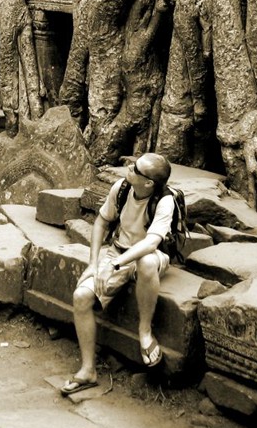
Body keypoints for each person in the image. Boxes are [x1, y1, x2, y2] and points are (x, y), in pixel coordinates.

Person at [60, 152, 174, 395]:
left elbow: (152, 243)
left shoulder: (165, 201)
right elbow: (101, 221)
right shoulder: (121, 189)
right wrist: (94, 263)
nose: (129, 168)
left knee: (145, 261)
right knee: (81, 296)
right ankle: (88, 370)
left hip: (148, 256)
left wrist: (115, 265)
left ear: (148, 183)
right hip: (117, 251)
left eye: (136, 168)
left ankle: (144, 331)